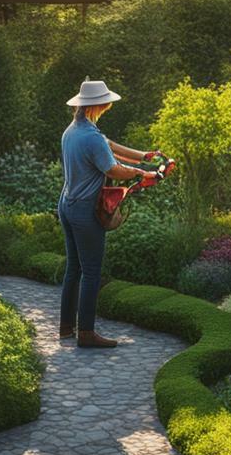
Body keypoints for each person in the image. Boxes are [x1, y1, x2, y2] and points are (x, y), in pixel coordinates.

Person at [58, 79, 160, 348]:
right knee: (91, 272)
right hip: (83, 209)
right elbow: (112, 169)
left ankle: (66, 327)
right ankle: (87, 334)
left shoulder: (74, 130)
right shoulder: (90, 136)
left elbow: (109, 144)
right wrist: (143, 174)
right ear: (98, 105)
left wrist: (144, 156)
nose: (109, 105)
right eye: (106, 102)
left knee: (74, 269)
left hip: (66, 205)